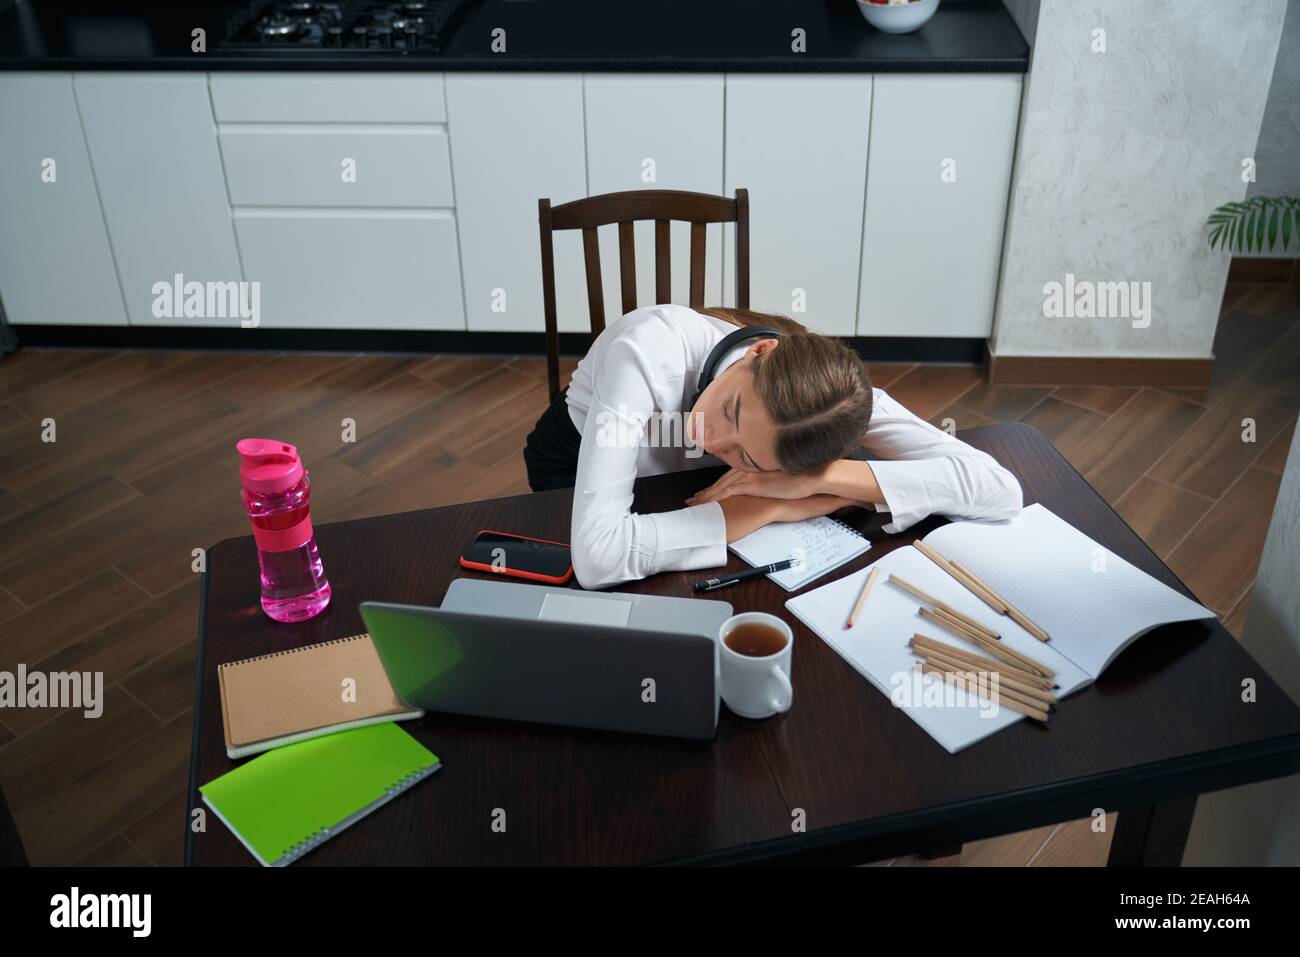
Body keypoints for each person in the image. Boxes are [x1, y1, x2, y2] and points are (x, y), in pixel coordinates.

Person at [523, 304, 1022, 589]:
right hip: (574, 459)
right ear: (763, 351)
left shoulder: (832, 402)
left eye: (749, 454)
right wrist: (765, 507)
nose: (709, 438)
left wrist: (820, 481)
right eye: (732, 411)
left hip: (688, 487)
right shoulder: (647, 351)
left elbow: (998, 488)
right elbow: (597, 557)